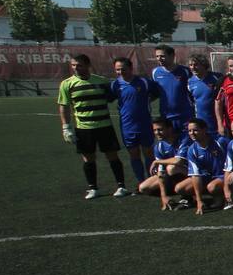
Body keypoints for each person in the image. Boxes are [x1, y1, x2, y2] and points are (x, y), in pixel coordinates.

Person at [57, 54, 128, 199]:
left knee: (112, 155)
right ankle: (93, 188)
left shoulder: (102, 82)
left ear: (88, 65)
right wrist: (66, 127)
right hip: (83, 128)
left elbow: (114, 97)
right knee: (88, 158)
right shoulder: (67, 84)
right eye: (73, 65)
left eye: (79, 65)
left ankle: (121, 186)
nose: (76, 68)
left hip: (104, 125)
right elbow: (64, 106)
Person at [109, 56, 161, 185]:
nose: (120, 72)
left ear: (131, 68)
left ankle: (152, 181)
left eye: (123, 69)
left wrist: (148, 101)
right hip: (127, 126)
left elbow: (157, 92)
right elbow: (109, 98)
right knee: (134, 154)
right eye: (117, 70)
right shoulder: (115, 85)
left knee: (149, 154)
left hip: (145, 124)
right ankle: (140, 182)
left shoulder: (144, 82)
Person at [175, 119, 230, 214]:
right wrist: (199, 200)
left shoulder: (220, 142)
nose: (192, 133)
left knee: (212, 187)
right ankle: (199, 199)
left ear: (205, 130)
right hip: (207, 177)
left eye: (195, 130)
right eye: (189, 131)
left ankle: (222, 197)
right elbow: (195, 175)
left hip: (223, 175)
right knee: (179, 188)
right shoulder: (192, 150)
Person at [138, 117, 189, 209]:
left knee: (171, 168)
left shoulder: (183, 139)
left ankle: (187, 197)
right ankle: (175, 192)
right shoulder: (159, 146)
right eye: (155, 130)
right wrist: (163, 196)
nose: (157, 133)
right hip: (174, 174)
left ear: (170, 129)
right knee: (143, 188)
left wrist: (157, 161)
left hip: (192, 173)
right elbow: (160, 173)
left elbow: (179, 161)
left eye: (160, 129)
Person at [150, 44, 193, 131]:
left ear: (172, 56)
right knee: (170, 143)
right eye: (157, 56)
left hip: (185, 115)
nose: (159, 59)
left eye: (162, 56)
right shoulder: (155, 72)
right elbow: (155, 92)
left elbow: (193, 91)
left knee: (186, 143)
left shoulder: (185, 71)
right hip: (166, 117)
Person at [187, 54, 222, 134]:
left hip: (218, 122)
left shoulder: (217, 78)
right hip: (200, 123)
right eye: (190, 65)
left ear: (204, 64)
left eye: (196, 65)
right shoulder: (190, 82)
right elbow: (192, 102)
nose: (192, 67)